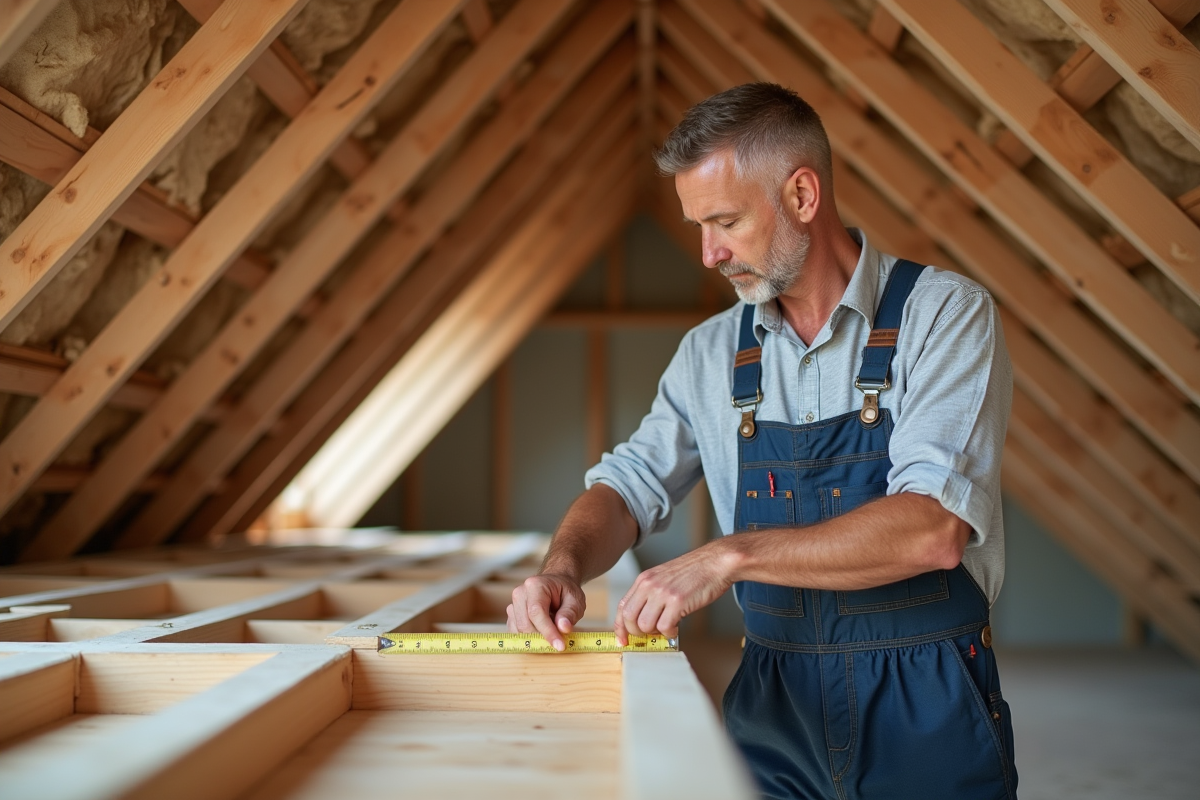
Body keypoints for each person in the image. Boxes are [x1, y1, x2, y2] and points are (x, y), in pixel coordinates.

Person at [507, 82, 1016, 799]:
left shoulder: (944, 316)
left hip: (926, 699)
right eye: (697, 227)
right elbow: (626, 487)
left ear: (803, 196)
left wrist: (729, 557)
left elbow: (931, 530)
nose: (710, 254)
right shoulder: (711, 353)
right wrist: (564, 567)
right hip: (774, 705)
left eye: (725, 222)